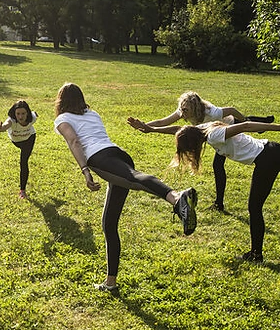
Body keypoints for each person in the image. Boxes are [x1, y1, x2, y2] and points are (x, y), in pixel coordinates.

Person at [128, 117, 280, 263]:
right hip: (272, 151)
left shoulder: (213, 134)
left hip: (267, 159)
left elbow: (245, 126)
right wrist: (150, 129)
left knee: (254, 207)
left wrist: (278, 127)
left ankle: (256, 255)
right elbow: (178, 129)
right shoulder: (200, 130)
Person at [54, 83, 198, 291]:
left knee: (134, 179)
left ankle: (176, 198)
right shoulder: (92, 114)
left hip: (100, 159)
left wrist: (85, 170)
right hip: (118, 154)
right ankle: (110, 282)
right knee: (109, 223)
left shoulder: (62, 119)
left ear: (60, 101)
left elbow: (74, 142)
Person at [133, 91, 274, 212]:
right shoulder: (183, 111)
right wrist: (144, 126)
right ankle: (264, 122)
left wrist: (244, 120)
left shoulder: (212, 112)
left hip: (228, 129)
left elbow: (231, 110)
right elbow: (163, 122)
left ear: (195, 108)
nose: (182, 114)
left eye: (186, 110)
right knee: (218, 166)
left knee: (217, 165)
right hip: (214, 135)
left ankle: (219, 203)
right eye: (181, 109)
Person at [0, 100, 37, 199]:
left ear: (27, 113)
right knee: (23, 160)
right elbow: (5, 126)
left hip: (29, 139)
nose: (21, 117)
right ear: (14, 114)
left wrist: (35, 113)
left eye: (23, 113)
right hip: (16, 141)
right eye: (18, 114)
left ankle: (22, 191)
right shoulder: (12, 121)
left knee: (23, 162)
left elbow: (35, 114)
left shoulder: (32, 118)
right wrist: (0, 129)